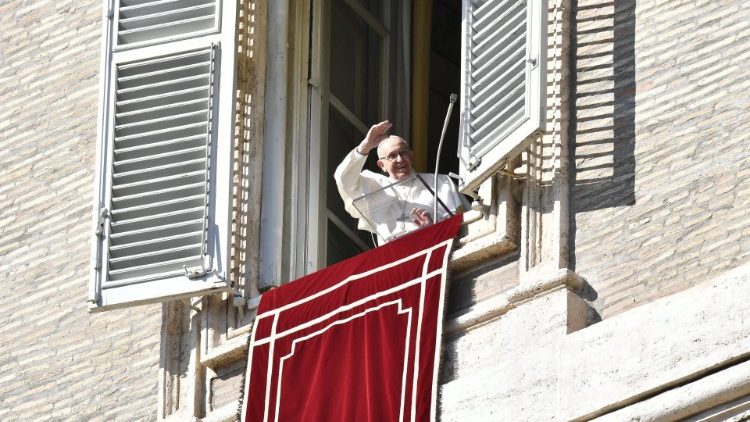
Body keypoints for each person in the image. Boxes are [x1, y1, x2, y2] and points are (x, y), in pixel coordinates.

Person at [334, 120, 467, 243]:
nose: (400, 159)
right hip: (395, 256)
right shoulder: (373, 185)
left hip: (438, 246)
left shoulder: (441, 182)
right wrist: (365, 146)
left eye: (403, 153)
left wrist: (434, 228)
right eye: (392, 156)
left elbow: (462, 221)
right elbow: (343, 179)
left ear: (411, 156)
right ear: (382, 165)